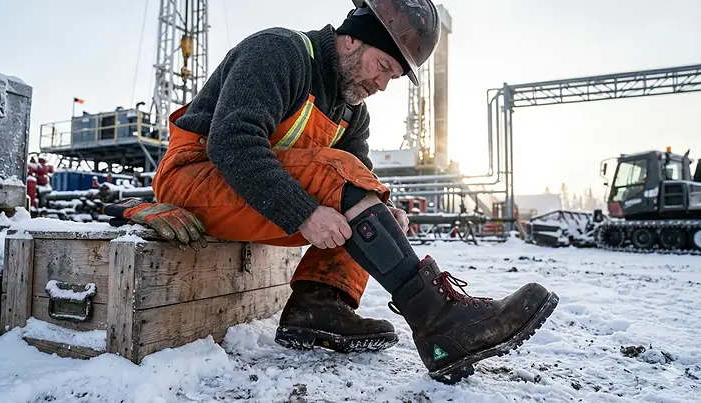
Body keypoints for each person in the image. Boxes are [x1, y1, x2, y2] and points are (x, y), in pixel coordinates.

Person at [108, 0, 559, 384]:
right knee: (343, 174)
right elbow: (233, 140)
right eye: (383, 66)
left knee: (366, 194)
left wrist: (383, 214)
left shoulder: (352, 108)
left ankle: (320, 303)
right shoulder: (280, 52)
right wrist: (304, 212)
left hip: (253, 194)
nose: (383, 84)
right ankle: (438, 322)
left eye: (394, 77)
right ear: (351, 40)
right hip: (197, 174)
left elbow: (357, 181)